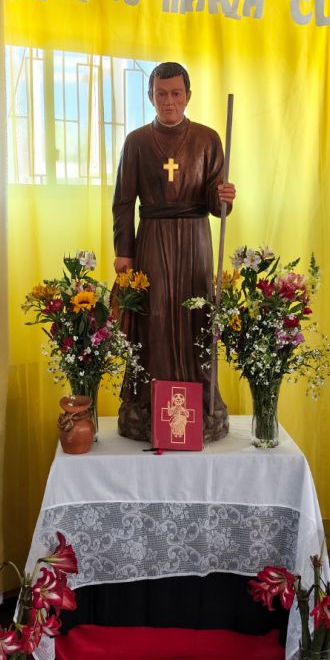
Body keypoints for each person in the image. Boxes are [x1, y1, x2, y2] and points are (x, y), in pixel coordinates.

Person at [113, 62, 236, 442]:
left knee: (197, 315)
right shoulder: (136, 142)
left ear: (188, 95)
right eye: (161, 94)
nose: (169, 101)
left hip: (196, 239)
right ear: (150, 96)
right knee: (156, 316)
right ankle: (148, 401)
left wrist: (224, 198)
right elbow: (122, 203)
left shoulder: (208, 139)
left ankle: (201, 400)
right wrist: (124, 253)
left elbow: (218, 206)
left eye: (176, 93)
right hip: (152, 238)